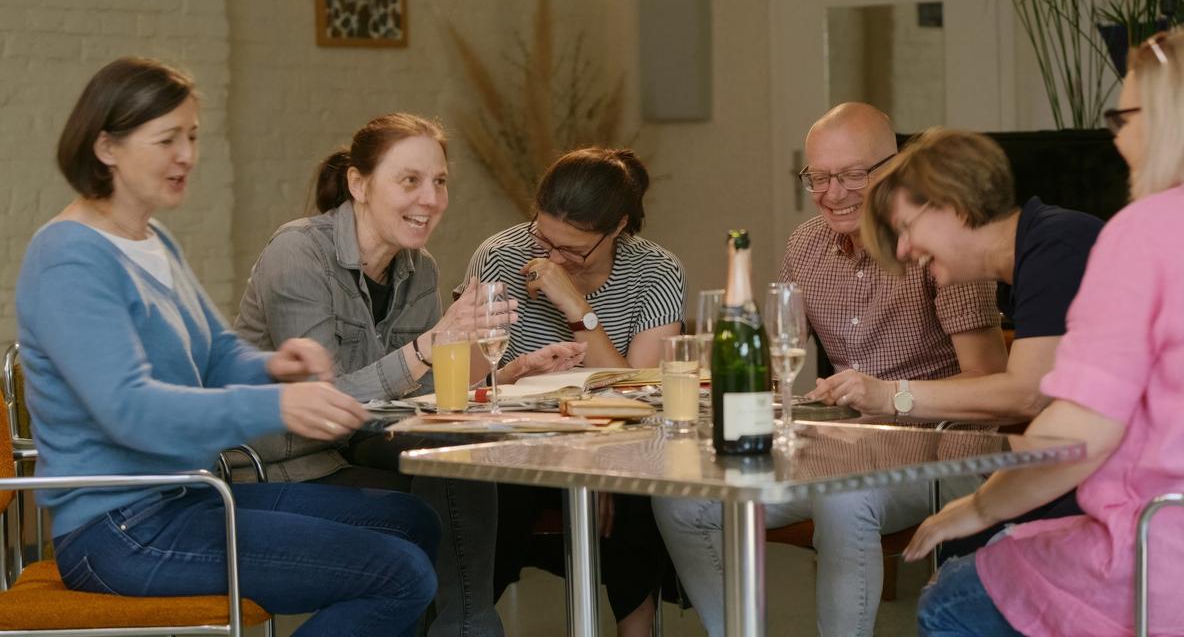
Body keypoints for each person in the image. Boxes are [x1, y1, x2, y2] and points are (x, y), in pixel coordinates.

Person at [16, 57, 439, 636]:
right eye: (167, 139)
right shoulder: (70, 257)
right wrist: (278, 404)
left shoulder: (150, 239)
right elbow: (130, 410)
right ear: (106, 147)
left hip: (186, 497)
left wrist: (275, 366)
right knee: (401, 574)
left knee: (413, 521)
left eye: (191, 136)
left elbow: (215, 353)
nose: (187, 155)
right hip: (119, 529)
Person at [906, 23, 1184, 636]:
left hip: (1166, 569)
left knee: (950, 597)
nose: (1118, 139)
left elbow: (1078, 437)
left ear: (1167, 117)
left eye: (1123, 118)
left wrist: (978, 506)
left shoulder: (1143, 234)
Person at [653, 103, 1008, 636]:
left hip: (944, 445)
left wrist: (888, 393)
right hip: (843, 442)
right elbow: (777, 356)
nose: (830, 193)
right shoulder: (806, 245)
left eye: (850, 175)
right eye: (817, 176)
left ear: (895, 166)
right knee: (682, 500)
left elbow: (988, 380)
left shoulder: (939, 242)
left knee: (844, 496)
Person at [234, 112, 583, 637]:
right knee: (430, 512)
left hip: (351, 455)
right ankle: (469, 628)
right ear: (358, 184)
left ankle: (467, 625)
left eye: (440, 182)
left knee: (456, 474)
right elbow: (318, 405)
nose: (430, 198)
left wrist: (505, 373)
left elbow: (420, 395)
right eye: (410, 180)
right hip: (276, 467)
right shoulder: (299, 253)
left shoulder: (421, 269)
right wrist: (430, 345)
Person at [461, 147, 686, 637]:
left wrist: (576, 306)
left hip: (618, 447)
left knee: (640, 482)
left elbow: (640, 394)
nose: (551, 257)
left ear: (618, 227)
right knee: (492, 493)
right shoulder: (500, 256)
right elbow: (468, 385)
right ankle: (464, 621)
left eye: (572, 249)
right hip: (520, 445)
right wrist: (516, 370)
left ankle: (636, 630)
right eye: (544, 238)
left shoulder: (656, 272)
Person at [855, 127, 1104, 556]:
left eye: (905, 228)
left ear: (952, 205)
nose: (902, 250)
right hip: (1105, 460)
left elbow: (1027, 395)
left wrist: (892, 397)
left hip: (1142, 478)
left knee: (960, 571)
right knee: (964, 542)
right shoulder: (1032, 258)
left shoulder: (1057, 247)